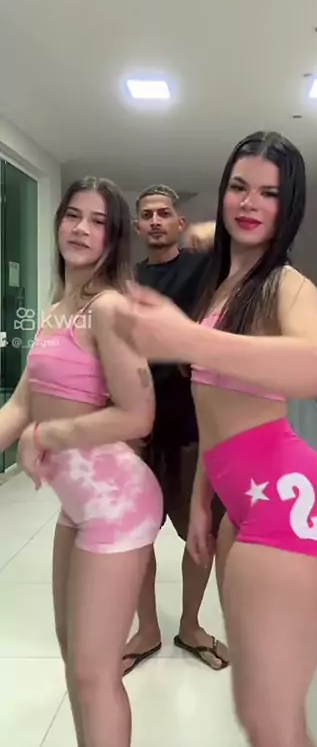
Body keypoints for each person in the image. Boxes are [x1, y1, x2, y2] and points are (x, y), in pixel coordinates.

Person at [114, 131, 317, 747]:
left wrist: (187, 340)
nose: (250, 202)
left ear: (289, 205)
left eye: (270, 193)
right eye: (239, 187)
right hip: (238, 500)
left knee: (271, 716)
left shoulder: (284, 285)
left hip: (289, 505)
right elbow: (213, 410)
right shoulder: (224, 286)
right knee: (256, 707)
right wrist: (201, 499)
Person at [0, 176, 163, 747]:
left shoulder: (109, 308)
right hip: (78, 505)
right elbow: (21, 404)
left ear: (113, 238)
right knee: (75, 659)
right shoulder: (56, 312)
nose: (81, 229)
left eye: (97, 221)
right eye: (73, 215)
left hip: (118, 504)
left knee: (95, 675)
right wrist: (31, 427)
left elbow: (139, 414)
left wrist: (51, 433)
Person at [121, 184, 229, 675]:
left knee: (202, 534)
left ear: (179, 223)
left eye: (165, 213)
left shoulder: (203, 267)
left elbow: (256, 243)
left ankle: (190, 624)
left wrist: (212, 230)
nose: (156, 221)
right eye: (147, 215)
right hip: (136, 427)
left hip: (194, 425)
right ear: (138, 227)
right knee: (135, 536)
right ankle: (146, 628)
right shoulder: (126, 281)